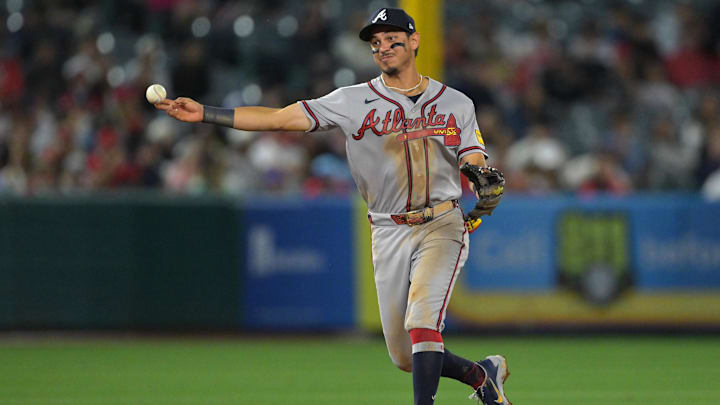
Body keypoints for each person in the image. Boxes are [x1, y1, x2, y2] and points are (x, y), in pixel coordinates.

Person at [156, 8, 510, 405]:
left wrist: (479, 176)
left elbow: (474, 157)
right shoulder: (351, 100)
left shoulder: (456, 103)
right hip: (388, 228)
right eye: (376, 42)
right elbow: (279, 118)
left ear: (414, 41)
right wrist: (206, 113)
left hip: (441, 223)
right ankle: (483, 375)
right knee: (404, 355)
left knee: (422, 322)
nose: (383, 47)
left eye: (393, 38)